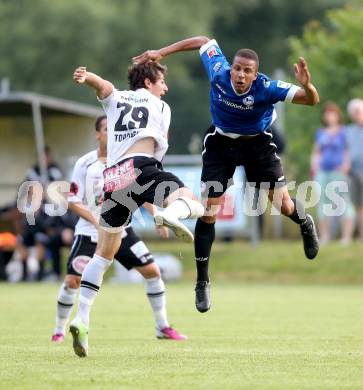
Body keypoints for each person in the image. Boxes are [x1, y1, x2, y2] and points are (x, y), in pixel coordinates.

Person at [133, 36, 320, 313]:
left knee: (283, 205)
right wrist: (161, 52)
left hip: (257, 144)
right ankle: (202, 281)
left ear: (255, 75)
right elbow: (201, 40)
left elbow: (311, 100)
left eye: (247, 71)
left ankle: (305, 223)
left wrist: (306, 84)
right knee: (209, 212)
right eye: (237, 68)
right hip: (221, 144)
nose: (240, 74)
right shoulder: (218, 71)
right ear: (230, 68)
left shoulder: (267, 88)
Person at [69, 63, 204, 357]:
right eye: (162, 80)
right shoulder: (161, 105)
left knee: (103, 254)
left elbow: (102, 85)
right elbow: (155, 156)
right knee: (191, 200)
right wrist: (160, 205)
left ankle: (82, 318)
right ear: (148, 81)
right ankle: (170, 214)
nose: (165, 87)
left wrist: (87, 77)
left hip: (113, 178)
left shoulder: (117, 97)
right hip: (141, 165)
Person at [51, 115, 186, 344]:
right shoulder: (85, 163)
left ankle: (162, 326)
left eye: (112, 129)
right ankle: (59, 330)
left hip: (122, 230)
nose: (110, 133)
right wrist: (95, 220)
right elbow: (72, 199)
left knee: (153, 272)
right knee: (72, 281)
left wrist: (156, 216)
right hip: (89, 232)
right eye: (105, 129)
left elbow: (141, 191)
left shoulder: (124, 161)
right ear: (97, 134)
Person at [310, 102, 354, 245]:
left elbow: (348, 151)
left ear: (337, 116)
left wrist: (346, 166)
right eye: (327, 114)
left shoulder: (344, 131)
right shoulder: (321, 132)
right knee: (323, 204)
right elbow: (316, 152)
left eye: (332, 114)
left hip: (338, 171)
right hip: (323, 172)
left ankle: (346, 237)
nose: (329, 117)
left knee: (343, 202)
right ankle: (324, 237)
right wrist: (314, 167)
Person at [17, 146, 63, 281]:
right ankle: (24, 274)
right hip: (32, 222)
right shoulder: (33, 171)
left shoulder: (54, 170)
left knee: (40, 239)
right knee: (21, 240)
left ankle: (40, 274)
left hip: (45, 224)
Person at [345, 98, 363, 241]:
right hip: (353, 172)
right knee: (358, 205)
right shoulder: (348, 131)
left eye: (359, 111)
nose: (357, 114)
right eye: (355, 112)